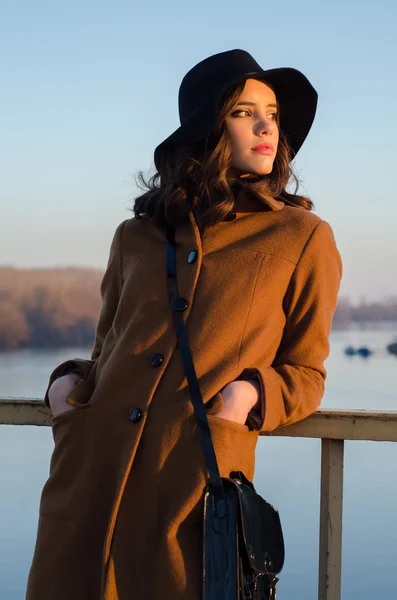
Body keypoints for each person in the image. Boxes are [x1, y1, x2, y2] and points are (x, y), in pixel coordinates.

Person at [26, 49, 343, 600]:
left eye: (271, 112)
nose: (268, 125)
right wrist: (65, 388)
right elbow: (106, 350)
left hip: (194, 493)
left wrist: (249, 394)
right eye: (245, 112)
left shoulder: (302, 237)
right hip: (88, 484)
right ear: (207, 128)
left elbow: (306, 371)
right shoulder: (135, 236)